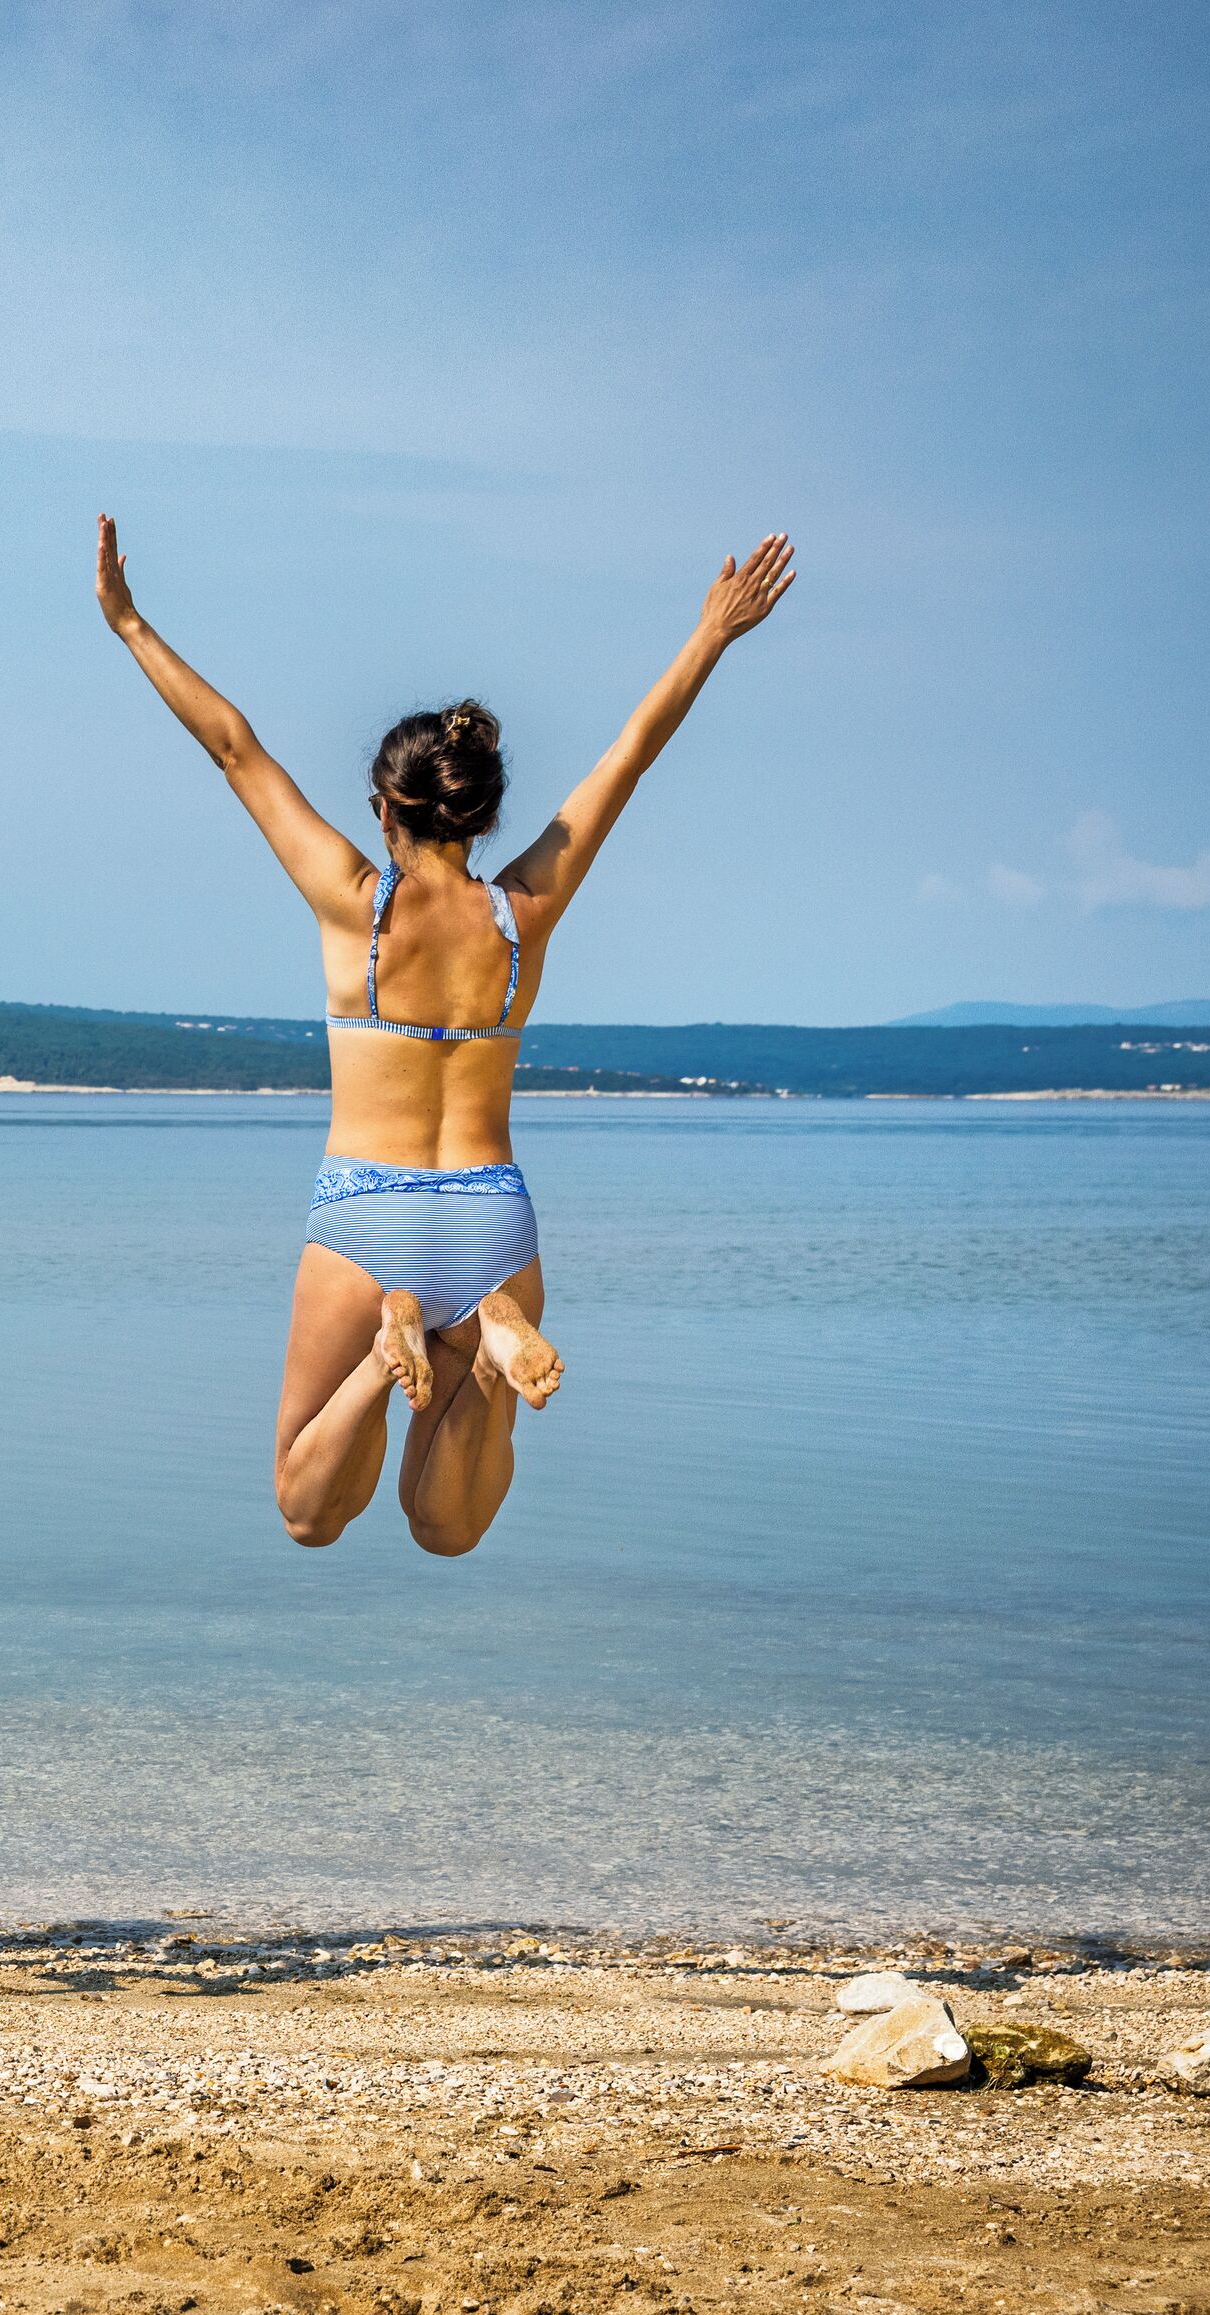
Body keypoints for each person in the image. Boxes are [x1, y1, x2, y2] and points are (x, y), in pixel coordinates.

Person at [93, 515, 797, 1552]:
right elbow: (630, 757)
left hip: (365, 1209)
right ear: (484, 815)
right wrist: (710, 635)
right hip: (494, 1220)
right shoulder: (526, 912)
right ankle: (489, 1347)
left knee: (307, 1510)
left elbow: (233, 746)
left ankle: (389, 1355)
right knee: (446, 1527)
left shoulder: (352, 904)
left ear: (387, 809)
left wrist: (129, 622)